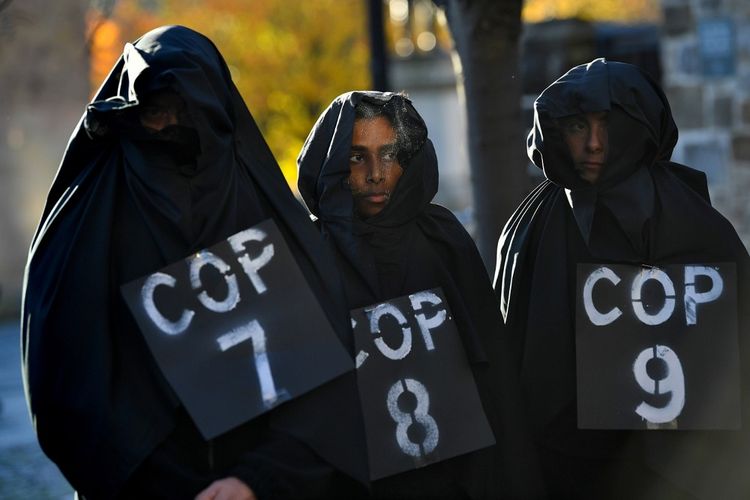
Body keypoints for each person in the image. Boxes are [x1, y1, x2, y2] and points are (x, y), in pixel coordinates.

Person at [22, 25, 369, 499]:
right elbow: (67, 387)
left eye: (185, 116)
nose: (168, 130)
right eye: (155, 115)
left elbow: (326, 381)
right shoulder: (90, 225)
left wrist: (256, 480)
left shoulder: (263, 213)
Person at [494, 58, 750, 499]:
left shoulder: (696, 225)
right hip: (570, 471)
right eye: (577, 128)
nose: (593, 145)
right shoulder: (533, 229)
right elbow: (515, 363)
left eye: (608, 126)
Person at [297, 91, 542, 499]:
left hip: (455, 479)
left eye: (390, 154)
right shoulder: (309, 253)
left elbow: (492, 377)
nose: (376, 173)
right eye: (357, 157)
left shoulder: (443, 239)